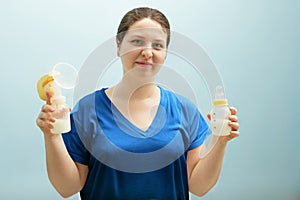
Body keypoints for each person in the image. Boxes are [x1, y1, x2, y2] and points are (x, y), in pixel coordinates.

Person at [36, 7, 240, 200]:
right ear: (118, 46)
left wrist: (220, 141)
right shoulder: (87, 111)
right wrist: (52, 136)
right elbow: (67, 188)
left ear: (165, 53)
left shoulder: (185, 110)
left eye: (158, 45)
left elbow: (198, 186)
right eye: (137, 41)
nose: (148, 52)